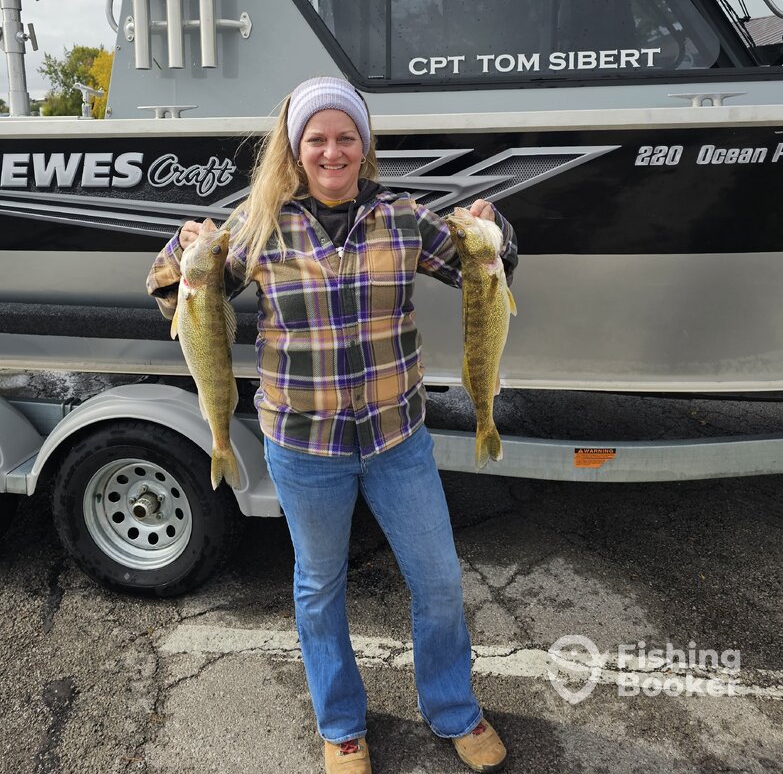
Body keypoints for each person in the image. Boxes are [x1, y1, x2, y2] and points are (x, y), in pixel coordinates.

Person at [147, 76, 518, 774]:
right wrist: (183, 245)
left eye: (346, 137)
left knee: (438, 578)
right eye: (317, 138)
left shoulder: (404, 218)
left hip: (396, 439)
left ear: (363, 145)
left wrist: (492, 228)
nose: (332, 151)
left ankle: (454, 709)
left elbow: (486, 266)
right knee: (320, 588)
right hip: (303, 445)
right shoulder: (259, 225)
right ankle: (342, 727)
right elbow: (177, 294)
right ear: (296, 149)